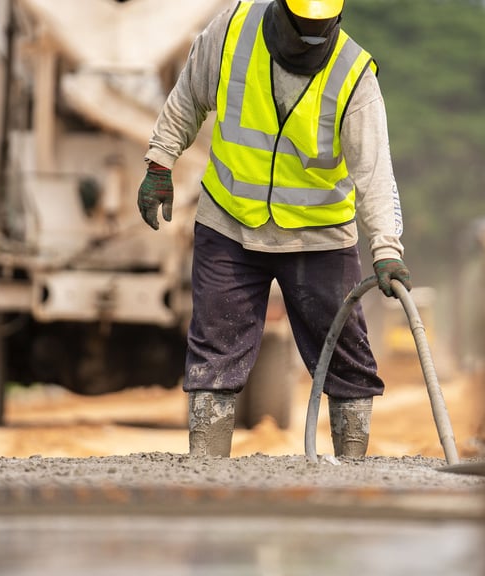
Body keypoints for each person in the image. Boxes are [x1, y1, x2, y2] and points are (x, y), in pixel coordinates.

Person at [136, 0, 411, 458]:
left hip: (318, 237)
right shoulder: (231, 32)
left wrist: (386, 248)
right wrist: (160, 161)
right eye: (300, 28)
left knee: (348, 356)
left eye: (318, 31)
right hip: (230, 222)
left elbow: (375, 173)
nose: (307, 39)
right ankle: (207, 467)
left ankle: (353, 467)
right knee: (214, 351)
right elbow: (188, 96)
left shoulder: (354, 73)